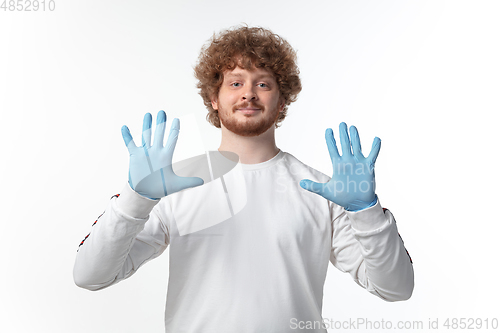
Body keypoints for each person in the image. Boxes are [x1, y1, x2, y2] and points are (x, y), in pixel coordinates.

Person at [73, 25, 414, 332]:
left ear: (282, 102)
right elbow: (90, 276)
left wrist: (367, 210)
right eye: (235, 83)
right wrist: (136, 198)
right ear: (214, 100)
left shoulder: (324, 192)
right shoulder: (173, 187)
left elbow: (396, 288)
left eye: (262, 84)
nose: (248, 93)